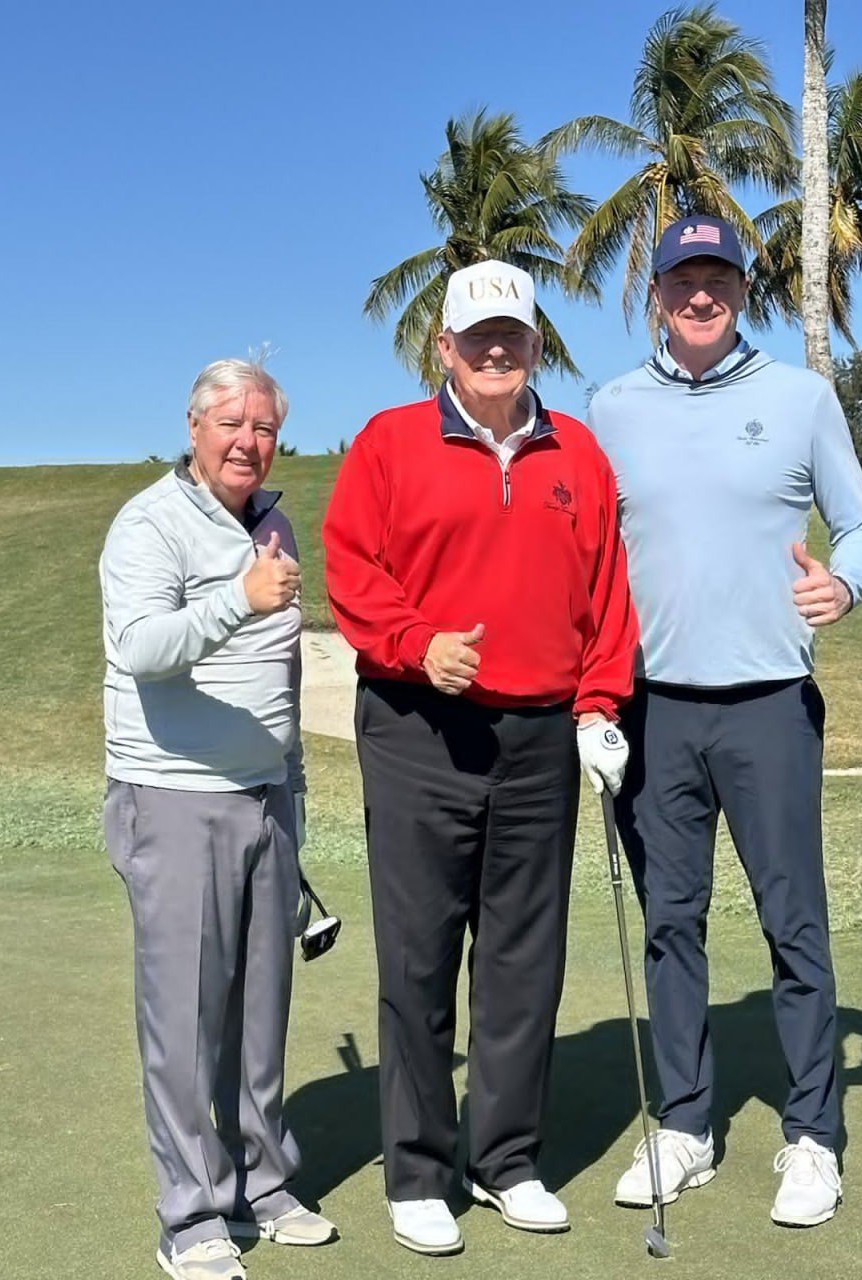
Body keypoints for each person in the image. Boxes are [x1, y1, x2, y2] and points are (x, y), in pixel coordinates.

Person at [323, 260, 639, 1255]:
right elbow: (352, 570)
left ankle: (505, 1159)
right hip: (420, 725)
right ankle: (419, 1170)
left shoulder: (576, 451)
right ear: (445, 347)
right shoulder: (389, 441)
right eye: (477, 337)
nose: (496, 351)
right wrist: (418, 643)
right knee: (419, 952)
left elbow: (608, 592)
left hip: (541, 736)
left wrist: (599, 705)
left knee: (524, 958)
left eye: (513, 335)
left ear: (536, 345)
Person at [588, 215, 862, 1228]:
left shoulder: (800, 399)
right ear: (658, 295)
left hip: (769, 705)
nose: (701, 294)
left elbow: (859, 524)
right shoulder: (611, 408)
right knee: (671, 922)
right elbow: (589, 552)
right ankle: (685, 1124)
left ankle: (814, 1135)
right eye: (683, 279)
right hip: (654, 707)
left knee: (792, 922)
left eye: (717, 277)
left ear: (742, 290)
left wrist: (844, 583)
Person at [100, 359, 336, 1280]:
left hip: (263, 797)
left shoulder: (272, 522)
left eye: (264, 427)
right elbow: (141, 648)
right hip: (173, 797)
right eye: (231, 423)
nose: (248, 441)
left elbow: (281, 675)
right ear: (194, 427)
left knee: (259, 1012)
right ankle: (190, 1216)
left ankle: (261, 1186)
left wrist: (294, 796)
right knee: (186, 1021)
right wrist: (238, 599)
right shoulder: (148, 523)